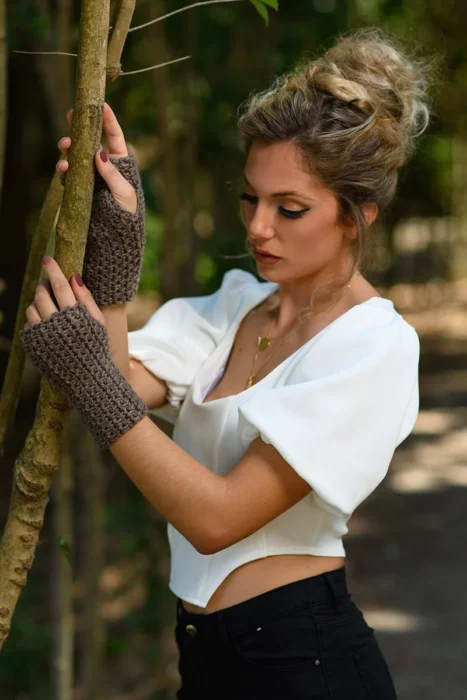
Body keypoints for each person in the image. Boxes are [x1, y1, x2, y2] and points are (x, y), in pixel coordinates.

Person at [22, 27, 435, 700]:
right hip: (205, 660)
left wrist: (92, 377)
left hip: (306, 666)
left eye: (289, 208)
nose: (257, 228)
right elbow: (124, 377)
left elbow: (216, 519)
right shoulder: (234, 306)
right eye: (250, 197)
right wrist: (117, 236)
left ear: (359, 215)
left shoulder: (372, 348)